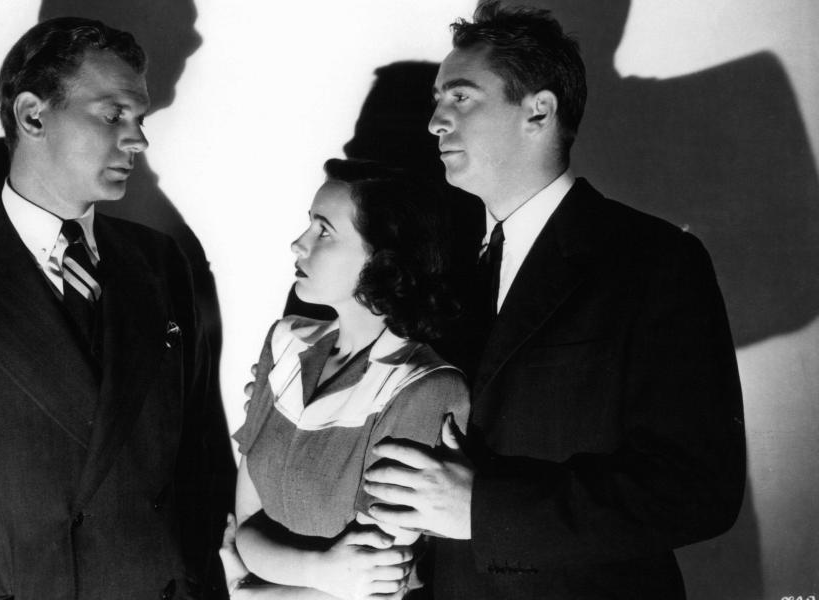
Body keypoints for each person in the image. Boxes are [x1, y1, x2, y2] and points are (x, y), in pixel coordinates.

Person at [361, 3, 747, 599]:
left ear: (538, 111)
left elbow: (698, 489)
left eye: (460, 98)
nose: (435, 120)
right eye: (438, 100)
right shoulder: (448, 268)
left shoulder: (655, 260)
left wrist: (481, 510)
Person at [0, 17, 234, 600]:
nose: (138, 139)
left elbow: (200, 455)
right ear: (33, 115)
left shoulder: (160, 262)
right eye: (114, 115)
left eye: (140, 119)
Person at [223, 159, 469, 599]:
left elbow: (375, 584)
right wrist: (318, 571)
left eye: (324, 231)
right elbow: (246, 527)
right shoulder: (285, 343)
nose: (298, 244)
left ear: (384, 259)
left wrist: (250, 592)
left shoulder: (424, 387)